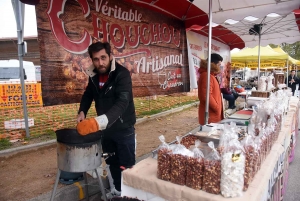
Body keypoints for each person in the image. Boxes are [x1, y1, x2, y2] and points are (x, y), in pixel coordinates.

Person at [76, 42, 136, 195]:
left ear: (110, 56)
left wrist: (100, 121)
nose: (100, 63)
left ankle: (129, 195)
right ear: (92, 60)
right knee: (111, 163)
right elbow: (89, 94)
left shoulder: (122, 74)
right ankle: (117, 191)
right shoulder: (94, 76)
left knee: (126, 165)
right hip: (106, 130)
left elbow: (123, 102)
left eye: (103, 58)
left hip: (123, 129)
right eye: (96, 59)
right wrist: (82, 111)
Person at [198, 53, 224, 127]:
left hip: (213, 114)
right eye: (219, 65)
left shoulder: (211, 75)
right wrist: (217, 107)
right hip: (210, 114)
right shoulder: (207, 75)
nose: (219, 67)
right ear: (213, 64)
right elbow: (205, 95)